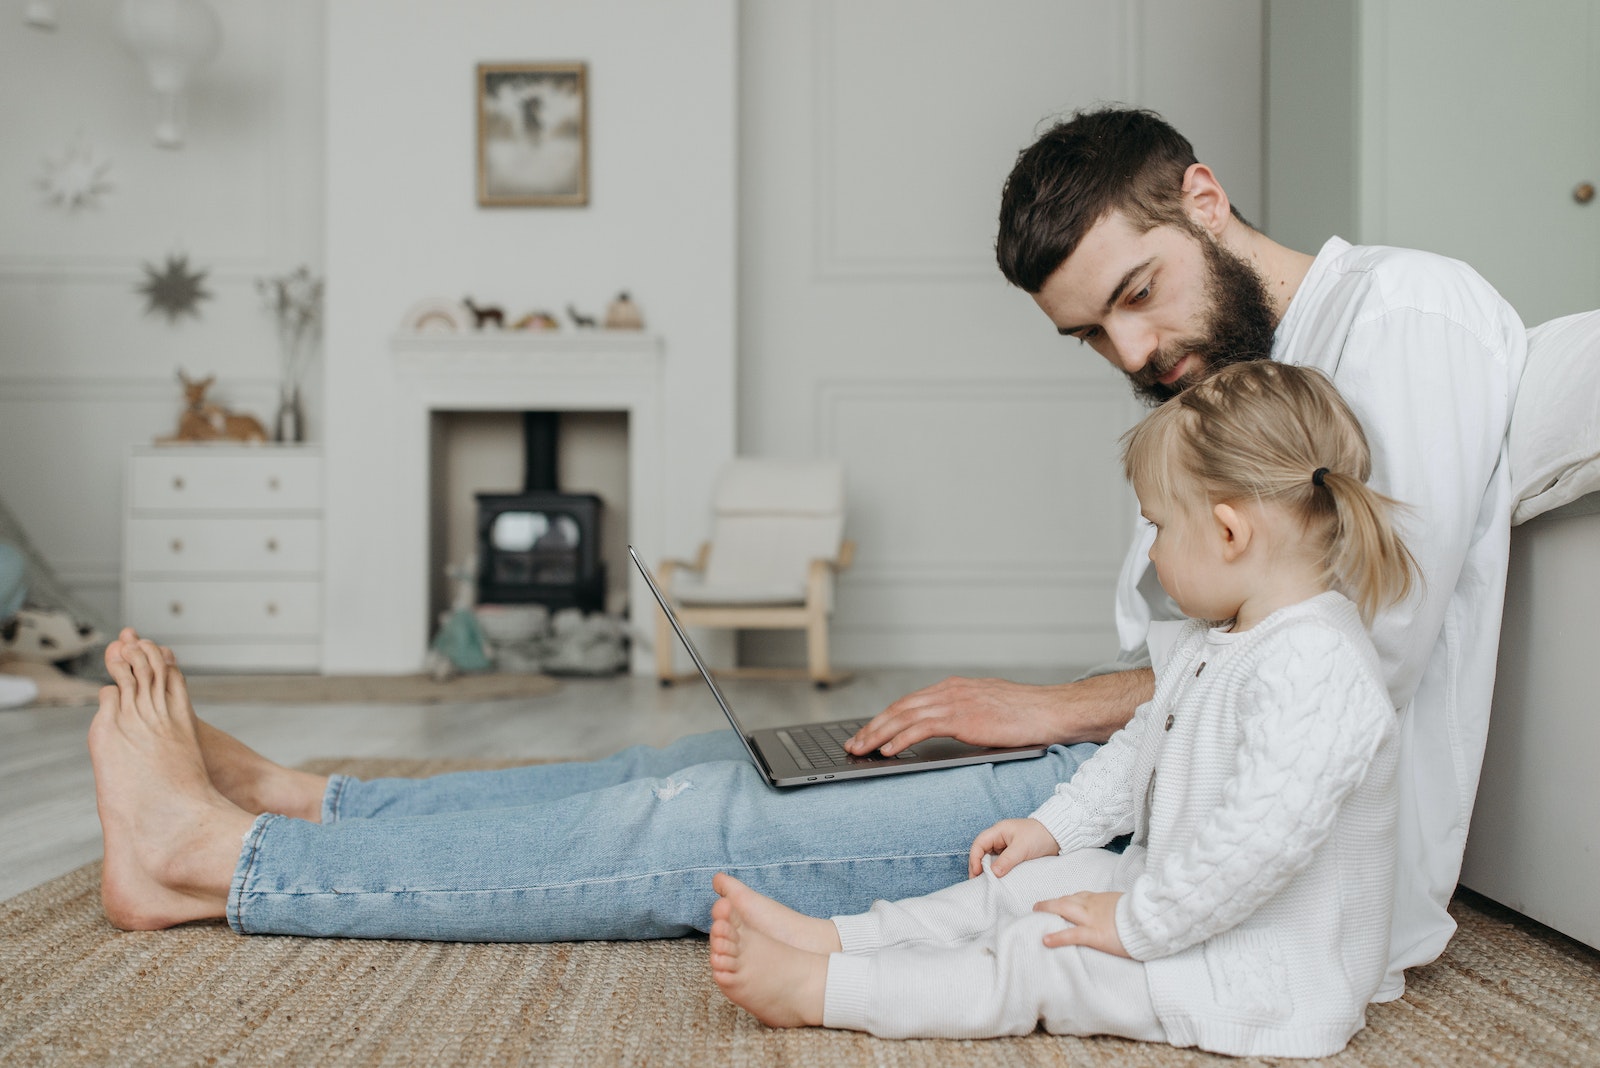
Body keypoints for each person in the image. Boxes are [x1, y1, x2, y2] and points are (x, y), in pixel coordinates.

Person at [89, 105, 1521, 1000]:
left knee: (687, 834)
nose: (1135, 353)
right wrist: (1042, 711)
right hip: (1120, 772)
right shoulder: (1230, 384)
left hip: (1195, 836)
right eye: (1095, 334)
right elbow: (1203, 647)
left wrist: (1053, 715)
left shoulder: (1410, 318)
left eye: (1135, 297)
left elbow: (1347, 660)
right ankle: (315, 802)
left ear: (1203, 196)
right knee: (684, 769)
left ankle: (219, 866)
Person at [708, 360, 1418, 1057]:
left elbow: (1258, 841)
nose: (1154, 554)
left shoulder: (1316, 667)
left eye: (1161, 528)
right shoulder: (1225, 638)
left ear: (1231, 534)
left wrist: (1137, 923)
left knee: (1041, 955)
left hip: (1257, 977)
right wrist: (1054, 829)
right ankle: (835, 939)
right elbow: (1144, 748)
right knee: (1024, 887)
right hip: (1179, 906)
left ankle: (821, 988)